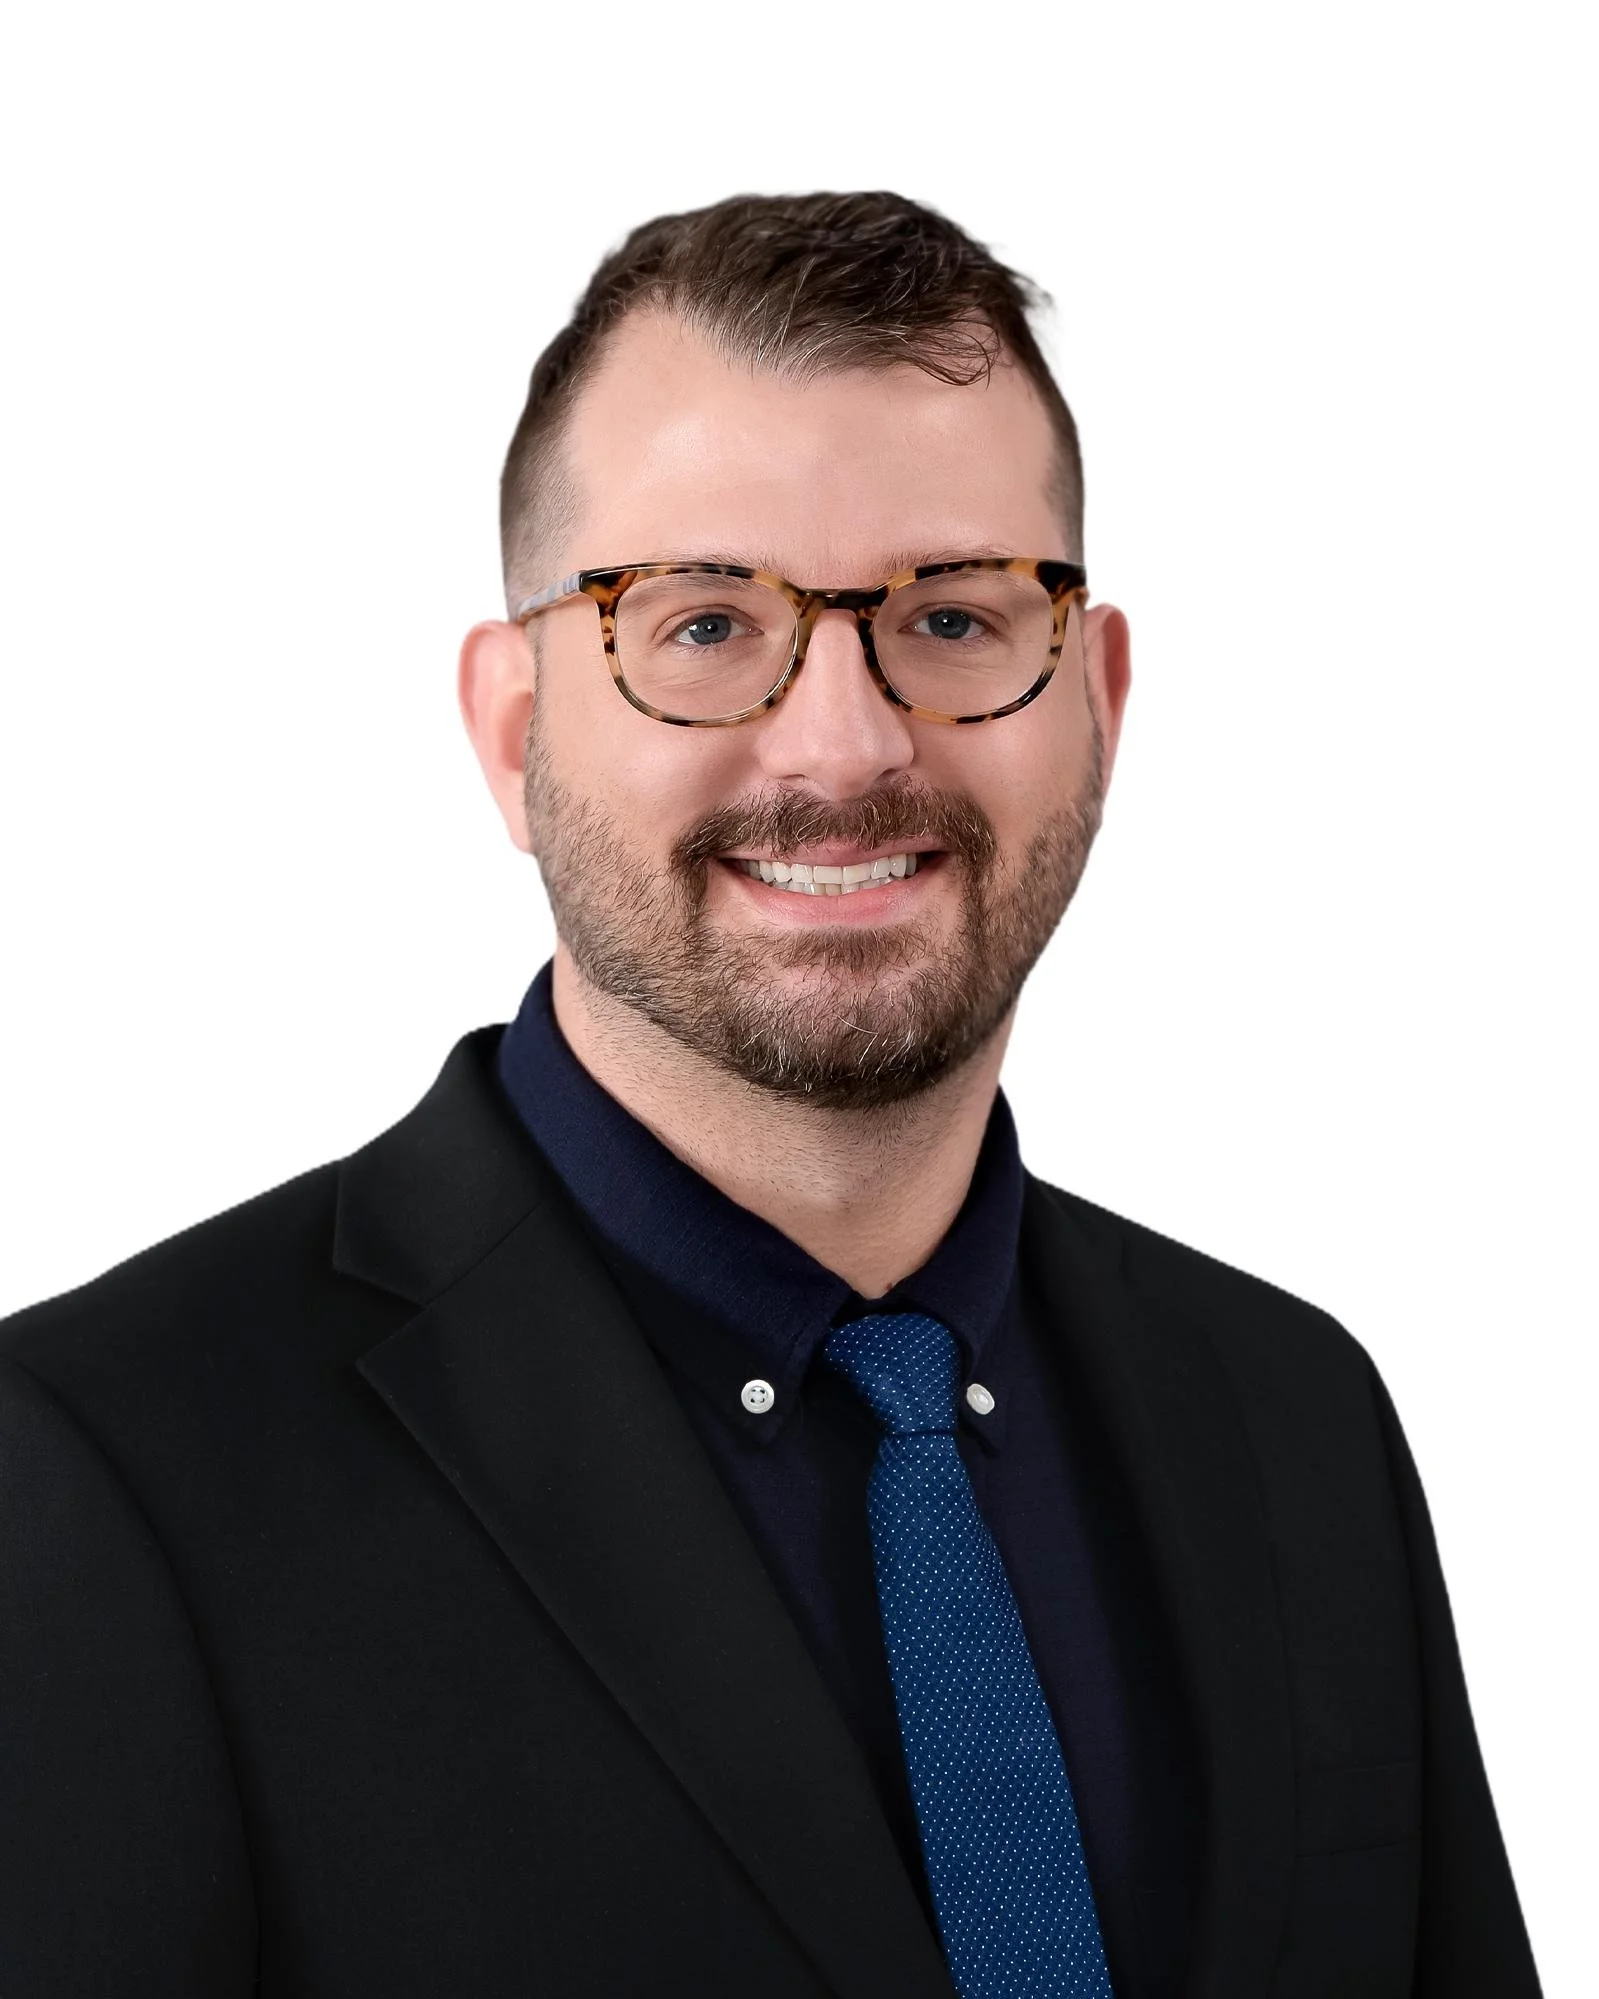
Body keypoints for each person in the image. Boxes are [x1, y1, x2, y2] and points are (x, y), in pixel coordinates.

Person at [0, 191, 1540, 1999]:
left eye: (957, 617)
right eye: (706, 622)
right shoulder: (97, 1473)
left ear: (1098, 700)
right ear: (514, 734)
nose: (843, 742)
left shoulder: (1297, 1419)